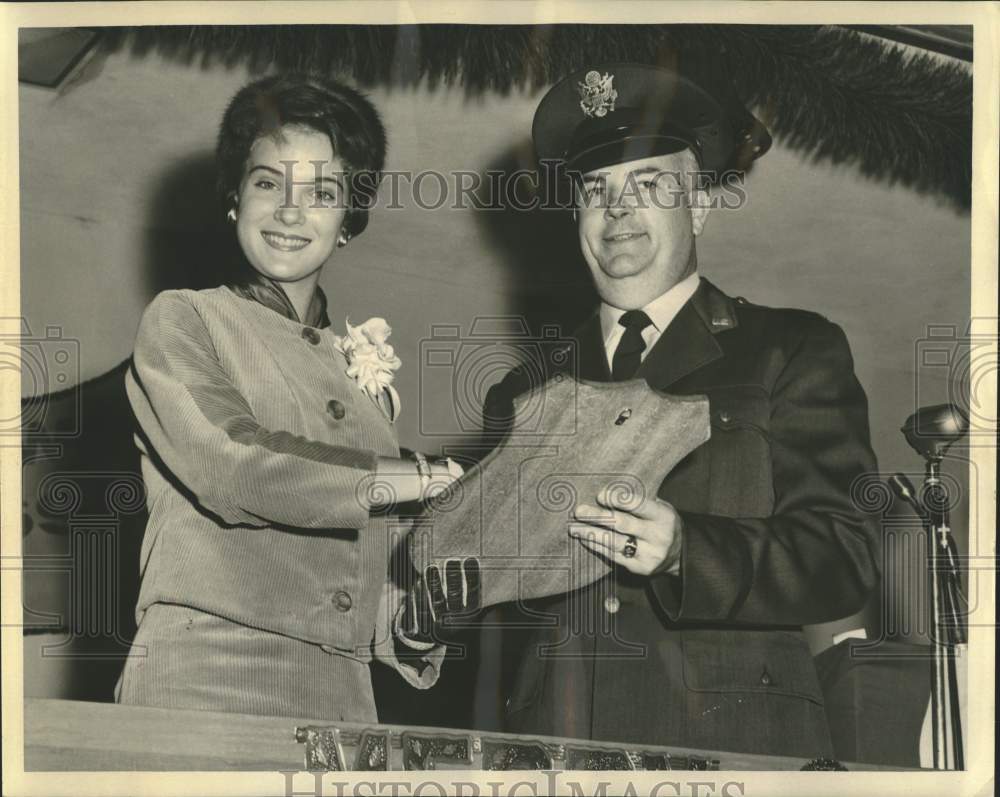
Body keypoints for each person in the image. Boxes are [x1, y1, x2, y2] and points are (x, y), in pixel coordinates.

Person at [483, 64, 881, 757]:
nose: (617, 212)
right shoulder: (521, 392)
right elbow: (497, 605)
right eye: (595, 191)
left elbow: (842, 555)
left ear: (697, 205)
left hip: (738, 737)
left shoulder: (791, 347)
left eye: (648, 186)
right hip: (552, 744)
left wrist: (686, 553)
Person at [116, 73, 465, 721]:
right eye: (268, 182)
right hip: (207, 676)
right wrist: (414, 476)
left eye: (322, 192)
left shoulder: (368, 386)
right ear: (234, 198)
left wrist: (419, 622)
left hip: (344, 698)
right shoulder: (186, 319)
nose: (289, 210)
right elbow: (236, 464)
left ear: (349, 222)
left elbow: (372, 576)